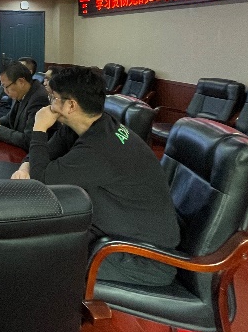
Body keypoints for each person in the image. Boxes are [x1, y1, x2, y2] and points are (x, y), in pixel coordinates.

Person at [12, 66, 180, 286]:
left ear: (71, 105)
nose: (49, 105)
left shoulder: (101, 147)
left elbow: (41, 180)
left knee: (31, 258)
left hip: (142, 258)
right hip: (109, 233)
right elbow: (44, 156)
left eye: (53, 98)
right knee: (31, 237)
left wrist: (39, 128)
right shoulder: (88, 125)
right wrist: (25, 166)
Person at [0, 61, 50, 149]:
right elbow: (10, 118)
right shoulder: (21, 92)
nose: (5, 91)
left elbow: (28, 140)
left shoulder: (39, 99)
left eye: (6, 86)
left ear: (21, 82)